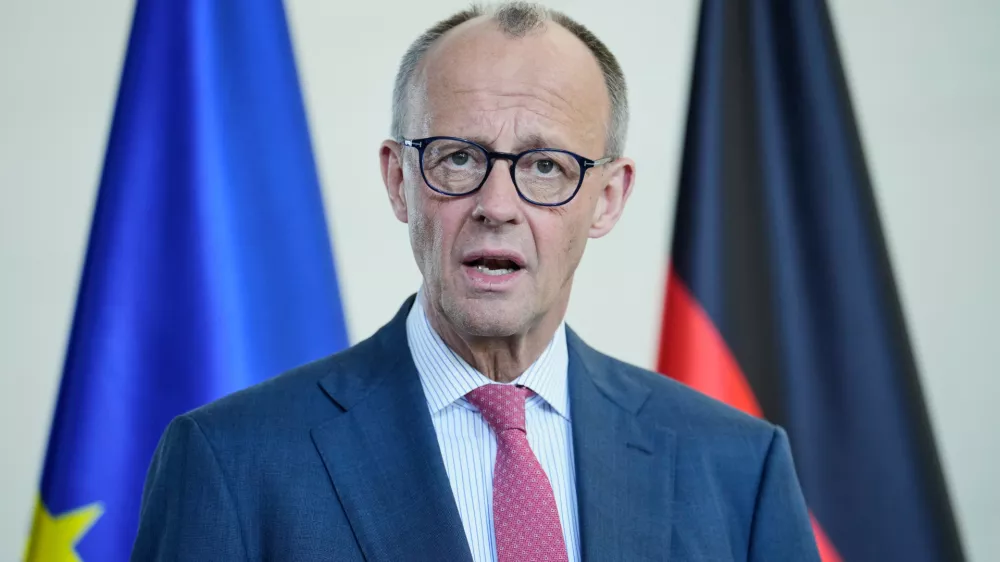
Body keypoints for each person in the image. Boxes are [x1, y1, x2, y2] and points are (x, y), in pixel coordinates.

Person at [131, 3, 820, 561]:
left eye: (546, 166)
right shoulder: (232, 460)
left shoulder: (738, 468)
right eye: (459, 158)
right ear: (399, 181)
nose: (497, 204)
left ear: (608, 198)